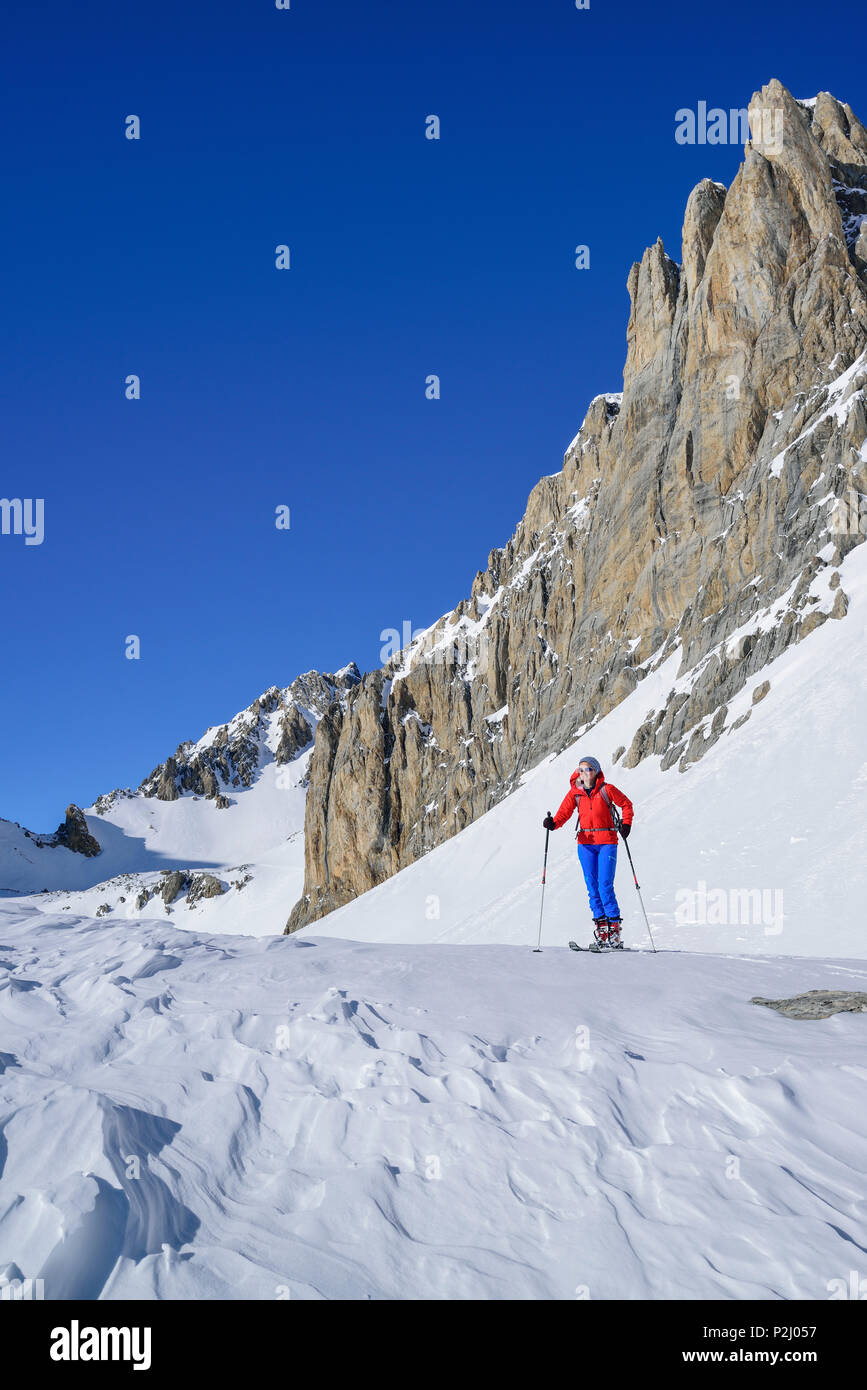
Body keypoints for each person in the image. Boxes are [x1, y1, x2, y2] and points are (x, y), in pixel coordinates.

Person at [543, 756, 634, 950]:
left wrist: (626, 824)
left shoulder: (607, 790)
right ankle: (602, 932)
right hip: (585, 844)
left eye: (589, 769)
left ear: (596, 772)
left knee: (605, 886)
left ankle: (614, 935)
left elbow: (626, 804)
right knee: (592, 887)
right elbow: (563, 813)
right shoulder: (575, 794)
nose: (585, 773)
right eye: (582, 769)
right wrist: (553, 824)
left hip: (607, 842)